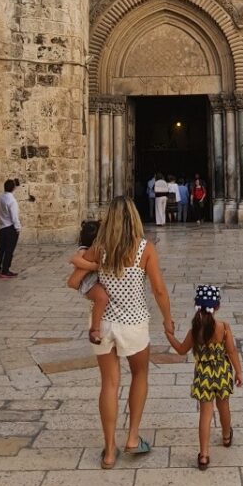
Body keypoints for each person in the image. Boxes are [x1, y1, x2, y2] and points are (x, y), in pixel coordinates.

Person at [84, 196, 175, 469]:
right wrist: (168, 320)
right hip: (134, 323)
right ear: (134, 218)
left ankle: (109, 450)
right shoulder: (144, 248)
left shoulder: (98, 249)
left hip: (103, 325)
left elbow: (75, 279)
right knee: (140, 375)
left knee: (109, 384)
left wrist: (95, 291)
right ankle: (132, 438)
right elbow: (158, 289)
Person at [165, 284, 243, 469]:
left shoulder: (194, 331)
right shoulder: (223, 328)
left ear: (197, 306)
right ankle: (226, 436)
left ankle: (204, 455)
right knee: (224, 406)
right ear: (217, 307)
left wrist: (169, 335)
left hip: (203, 375)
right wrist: (238, 371)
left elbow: (181, 350)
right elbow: (231, 351)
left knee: (206, 414)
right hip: (222, 372)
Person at [66, 220, 110, 345]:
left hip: (93, 281)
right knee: (102, 298)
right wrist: (93, 267)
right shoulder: (84, 250)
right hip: (87, 283)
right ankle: (95, 329)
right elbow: (74, 260)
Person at [0, 178, 21, 278]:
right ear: (13, 188)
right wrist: (18, 228)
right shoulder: (12, 201)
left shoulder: (0, 197)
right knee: (9, 250)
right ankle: (5, 270)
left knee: (0, 249)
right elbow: (14, 217)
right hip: (10, 228)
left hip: (1, 227)